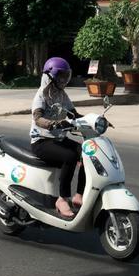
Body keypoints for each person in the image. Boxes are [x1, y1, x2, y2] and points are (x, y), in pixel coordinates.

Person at [30, 57, 84, 219]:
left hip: (58, 139)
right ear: (50, 76)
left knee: (86, 152)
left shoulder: (61, 94)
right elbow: (37, 118)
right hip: (41, 141)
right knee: (70, 156)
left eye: (65, 75)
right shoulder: (41, 94)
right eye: (60, 75)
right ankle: (62, 199)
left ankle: (79, 195)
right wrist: (52, 124)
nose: (63, 79)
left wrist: (95, 121)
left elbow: (74, 114)